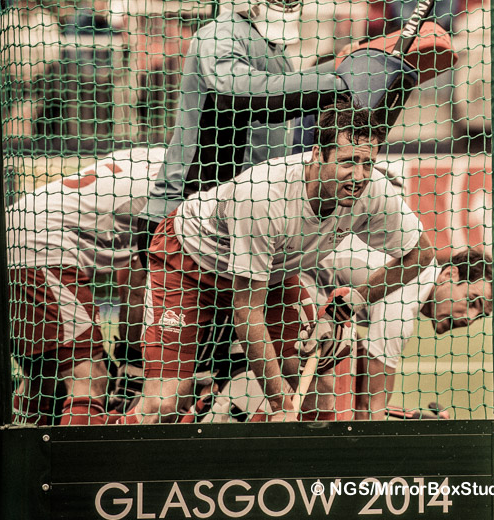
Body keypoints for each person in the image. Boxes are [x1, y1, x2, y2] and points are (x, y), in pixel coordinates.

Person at [119, 98, 434, 425]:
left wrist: (353, 301)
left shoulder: (373, 191)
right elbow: (246, 311)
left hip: (270, 274)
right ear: (317, 154)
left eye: (367, 163)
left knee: (317, 390)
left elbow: (421, 254)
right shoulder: (265, 194)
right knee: (164, 405)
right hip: (189, 262)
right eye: (347, 162)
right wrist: (280, 403)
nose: (358, 175)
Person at [137, 0, 352, 257]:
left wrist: (350, 71)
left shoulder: (273, 47)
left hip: (237, 220)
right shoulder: (220, 34)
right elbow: (238, 91)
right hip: (184, 218)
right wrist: (334, 77)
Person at [8, 147, 165, 425]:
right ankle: (81, 454)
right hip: (42, 249)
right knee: (89, 377)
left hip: (12, 232)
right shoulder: (185, 185)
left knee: (42, 378)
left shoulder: (149, 156)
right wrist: (134, 359)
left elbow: (133, 272)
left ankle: (17, 450)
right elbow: (142, 279)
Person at [301, 242, 493, 420]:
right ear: (449, 274)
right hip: (293, 288)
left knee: (349, 361)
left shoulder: (418, 276)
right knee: (325, 397)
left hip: (305, 284)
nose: (470, 318)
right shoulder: (401, 309)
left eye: (480, 315)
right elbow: (369, 408)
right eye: (471, 301)